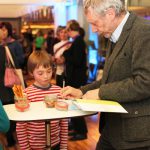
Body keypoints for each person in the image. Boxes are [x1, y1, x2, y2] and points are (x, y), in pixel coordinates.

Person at [61, 0, 150, 149]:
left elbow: (145, 82)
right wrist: (81, 91)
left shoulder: (143, 31)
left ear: (110, 13)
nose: (93, 30)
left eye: (95, 23)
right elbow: (109, 79)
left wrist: (101, 93)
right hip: (112, 127)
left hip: (135, 133)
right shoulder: (113, 34)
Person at [16, 50, 68, 150]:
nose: (46, 76)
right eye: (40, 73)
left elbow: (64, 122)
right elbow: (21, 126)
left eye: (49, 71)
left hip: (55, 144)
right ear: (31, 73)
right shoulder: (26, 94)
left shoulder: (59, 91)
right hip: (34, 146)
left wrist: (63, 146)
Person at [63, 20, 88, 141]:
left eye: (67, 30)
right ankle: (77, 128)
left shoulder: (78, 41)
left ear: (70, 30)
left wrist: (66, 53)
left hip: (76, 78)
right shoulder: (77, 41)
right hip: (75, 77)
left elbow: (77, 60)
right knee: (73, 104)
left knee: (77, 105)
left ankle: (82, 131)